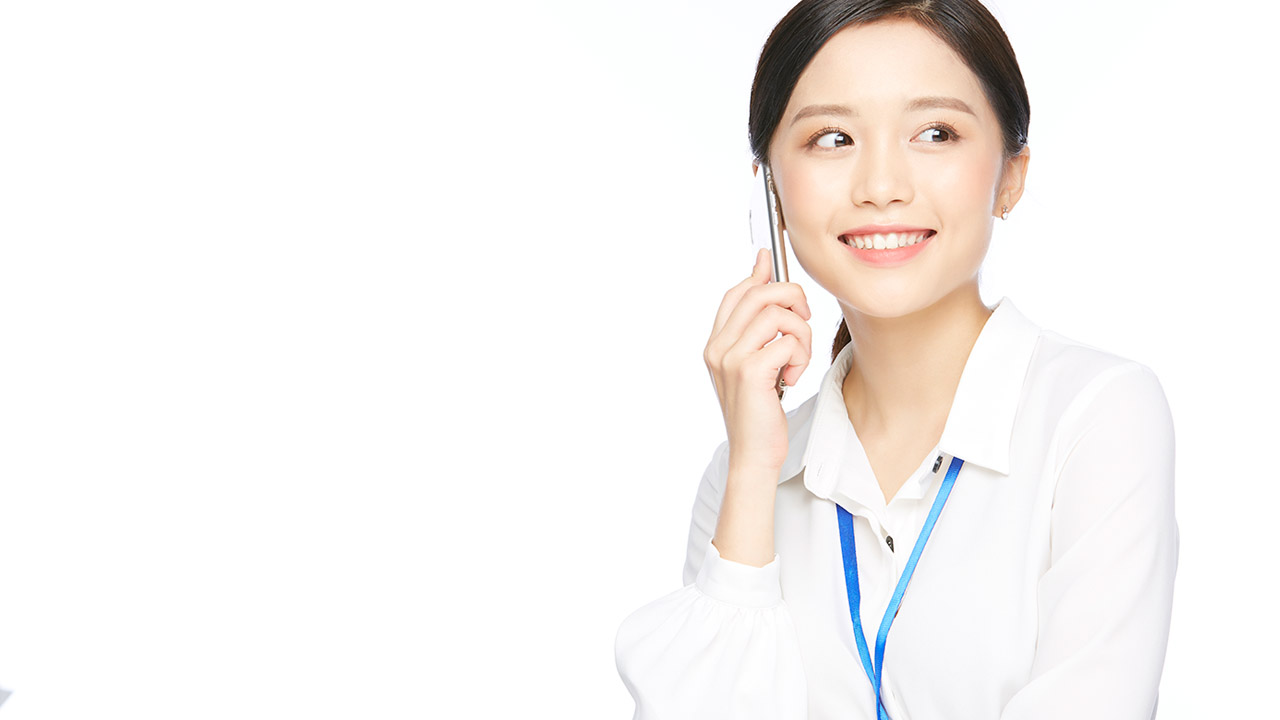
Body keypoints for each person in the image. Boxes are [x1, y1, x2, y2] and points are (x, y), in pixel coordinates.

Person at [613, 1, 1179, 719]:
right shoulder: (741, 477)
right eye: (833, 138)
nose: (881, 185)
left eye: (935, 133)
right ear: (770, 194)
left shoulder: (1097, 417)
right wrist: (754, 471)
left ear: (1010, 175)